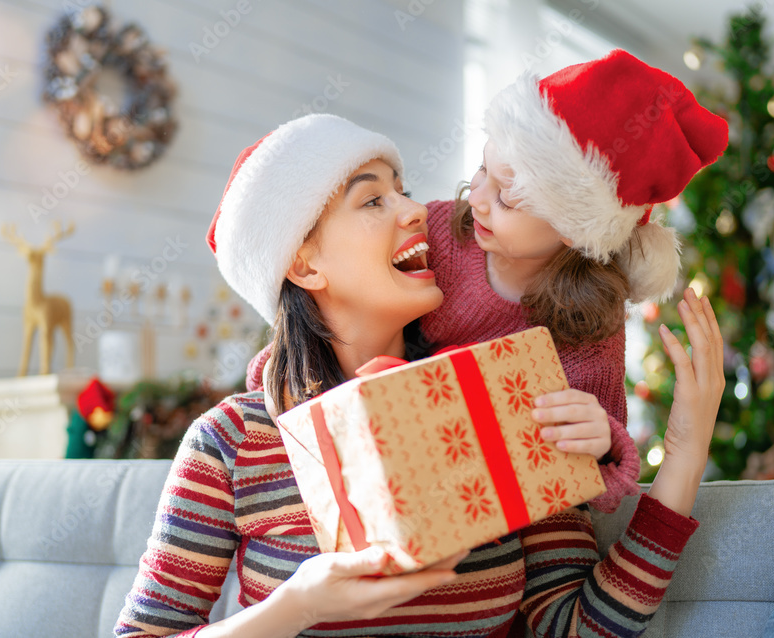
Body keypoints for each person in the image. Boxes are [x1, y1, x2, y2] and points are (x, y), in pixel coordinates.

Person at [114, 112, 726, 638]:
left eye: (404, 191)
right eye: (374, 199)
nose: (417, 212)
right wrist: (294, 608)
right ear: (304, 262)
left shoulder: (500, 399)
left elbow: (576, 627)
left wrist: (684, 453)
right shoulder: (231, 443)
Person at [245, 49, 729, 515]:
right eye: (482, 170)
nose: (477, 199)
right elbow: (322, 324)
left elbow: (592, 480)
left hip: (476, 481)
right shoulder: (436, 231)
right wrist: (285, 372)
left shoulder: (589, 332)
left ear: (573, 229)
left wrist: (601, 440)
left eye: (508, 199)